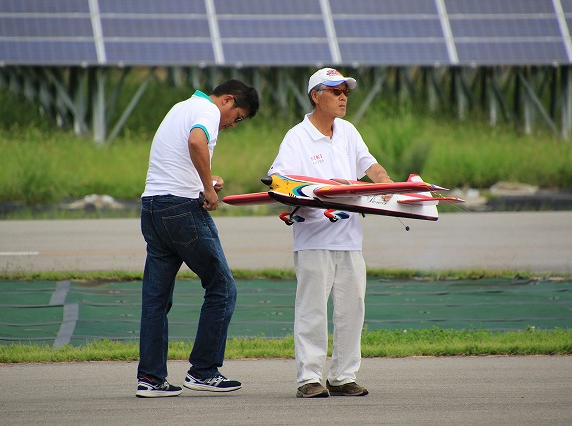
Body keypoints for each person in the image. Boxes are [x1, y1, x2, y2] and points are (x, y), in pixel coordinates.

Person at [267, 68, 393, 398]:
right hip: (314, 238)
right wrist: (316, 191)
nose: (343, 97)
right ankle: (309, 378)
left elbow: (371, 166)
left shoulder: (348, 131)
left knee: (353, 309)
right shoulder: (297, 137)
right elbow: (278, 179)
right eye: (335, 91)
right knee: (312, 311)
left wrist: (386, 184)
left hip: (350, 239)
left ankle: (343, 377)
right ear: (315, 95)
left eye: (345, 92)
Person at [136, 80, 259, 398]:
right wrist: (206, 187)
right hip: (181, 210)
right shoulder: (208, 110)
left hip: (152, 207)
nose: (233, 125)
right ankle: (203, 371)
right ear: (227, 100)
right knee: (223, 288)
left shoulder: (181, 107)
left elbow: (177, 156)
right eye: (238, 117)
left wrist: (205, 178)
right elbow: (195, 141)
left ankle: (150, 378)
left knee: (156, 299)